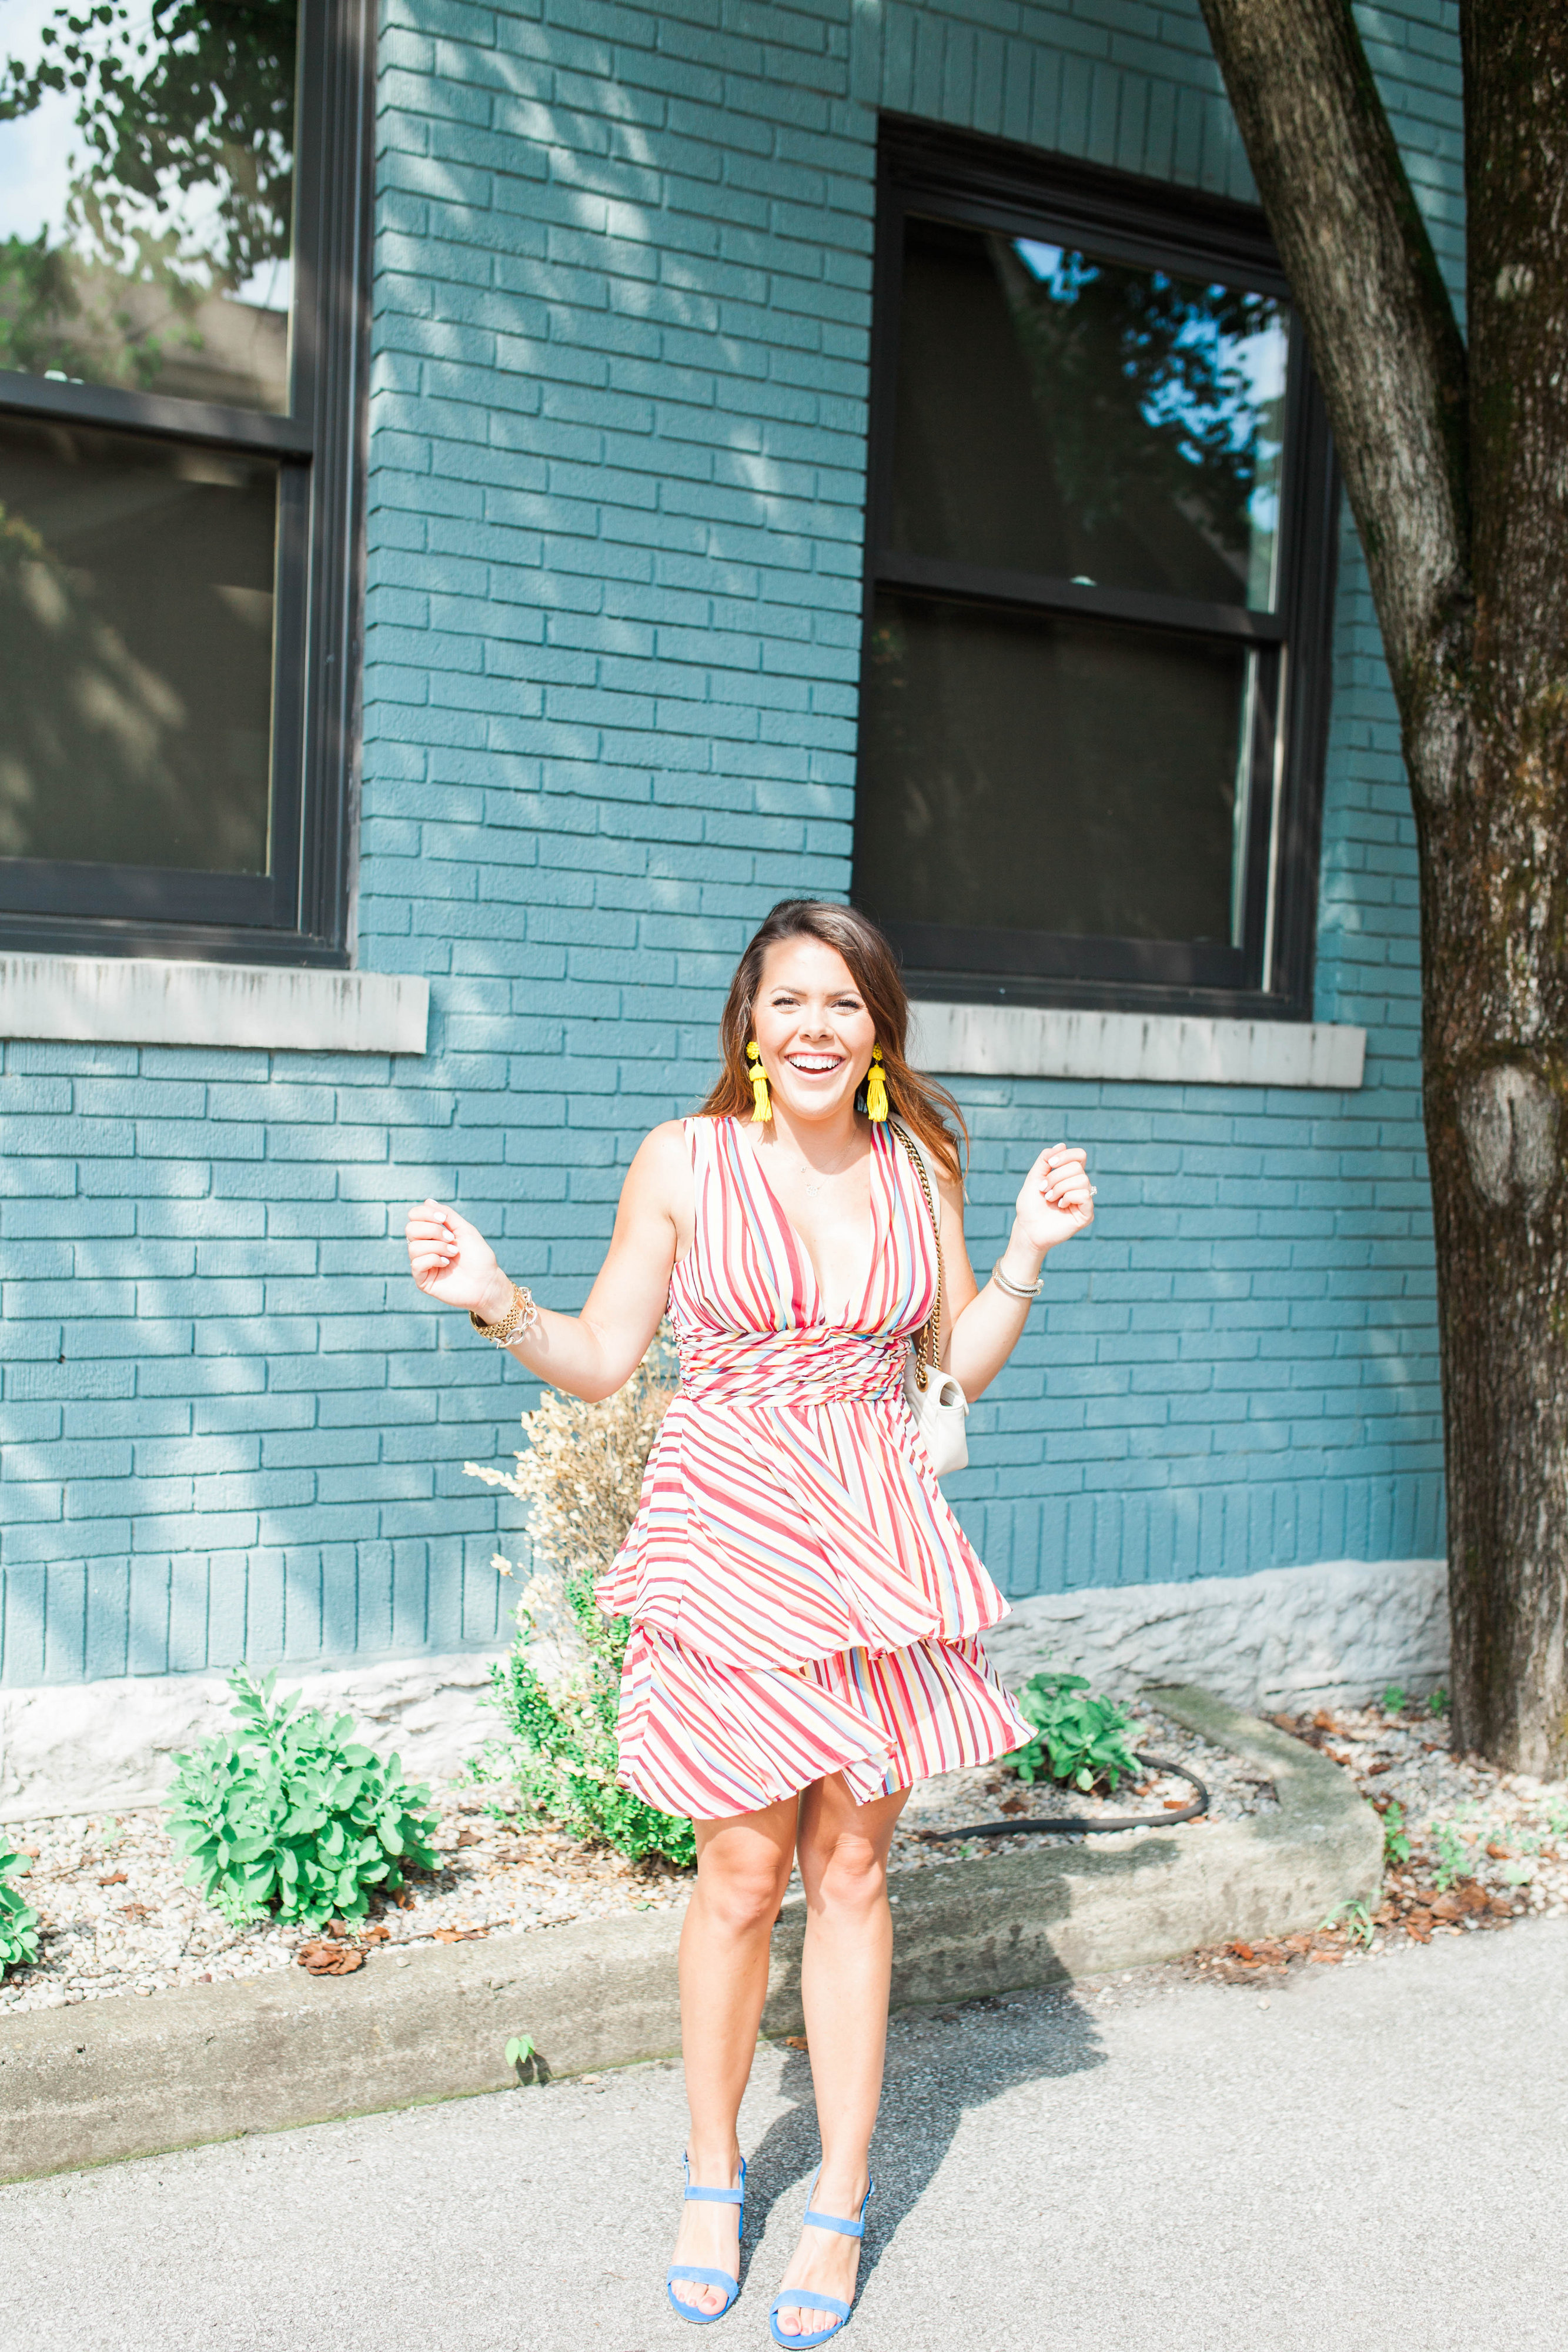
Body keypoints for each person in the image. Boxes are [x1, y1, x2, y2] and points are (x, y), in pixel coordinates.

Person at [405, 899, 1095, 2343]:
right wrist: (494, 1300)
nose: (814, 1028)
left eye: (843, 1004)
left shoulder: (922, 1164)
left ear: (876, 1028)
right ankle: (715, 2169)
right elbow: (602, 1360)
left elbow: (953, 1366)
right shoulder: (685, 1158)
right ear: (748, 1020)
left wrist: (1027, 1249)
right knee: (736, 1869)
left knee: (851, 1869)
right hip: (727, 1534)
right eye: (788, 1001)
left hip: (877, 1536)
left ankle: (838, 2193)